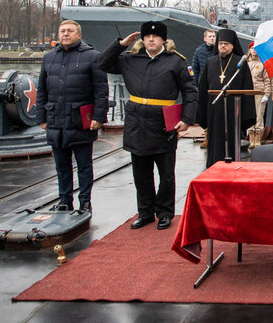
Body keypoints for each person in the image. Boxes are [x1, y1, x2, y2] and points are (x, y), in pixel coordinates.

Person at [98, 21, 197, 231]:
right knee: (141, 173)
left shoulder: (176, 62)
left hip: (163, 123)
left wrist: (187, 119)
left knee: (166, 174)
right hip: (136, 123)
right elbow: (103, 63)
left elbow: (190, 91)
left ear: (164, 40)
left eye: (155, 37)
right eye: (147, 37)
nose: (151, 39)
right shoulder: (130, 59)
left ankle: (164, 213)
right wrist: (120, 44)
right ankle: (145, 212)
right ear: (142, 39)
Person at [35, 20, 108, 213]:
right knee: (62, 166)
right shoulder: (49, 58)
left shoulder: (93, 57)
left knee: (84, 165)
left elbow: (101, 90)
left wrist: (99, 117)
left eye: (70, 31)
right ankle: (65, 200)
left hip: (80, 120)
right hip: (56, 120)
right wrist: (41, 117)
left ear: (78, 35)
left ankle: (85, 201)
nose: (65, 34)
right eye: (62, 31)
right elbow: (41, 90)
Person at [196, 29, 255, 167]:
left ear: (232, 45)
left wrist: (247, 115)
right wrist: (201, 111)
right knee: (215, 139)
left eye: (226, 44)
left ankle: (232, 165)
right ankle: (213, 165)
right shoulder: (211, 62)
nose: (223, 46)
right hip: (214, 107)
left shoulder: (240, 62)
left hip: (233, 107)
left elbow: (247, 87)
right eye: (221, 43)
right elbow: (204, 88)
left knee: (232, 139)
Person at [191, 29, 216, 149]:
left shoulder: (217, 51)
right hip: (203, 86)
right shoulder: (199, 51)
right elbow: (195, 69)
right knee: (204, 111)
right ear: (205, 38)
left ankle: (216, 136)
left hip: (216, 85)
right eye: (210, 36)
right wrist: (195, 84)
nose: (212, 38)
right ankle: (207, 136)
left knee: (215, 111)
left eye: (214, 36)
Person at [246, 42, 270, 148]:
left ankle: (258, 139)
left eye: (255, 48)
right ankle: (251, 139)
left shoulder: (263, 64)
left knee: (259, 116)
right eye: (252, 48)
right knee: (249, 115)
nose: (254, 50)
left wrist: (267, 94)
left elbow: (267, 80)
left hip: (259, 92)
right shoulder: (245, 64)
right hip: (247, 93)